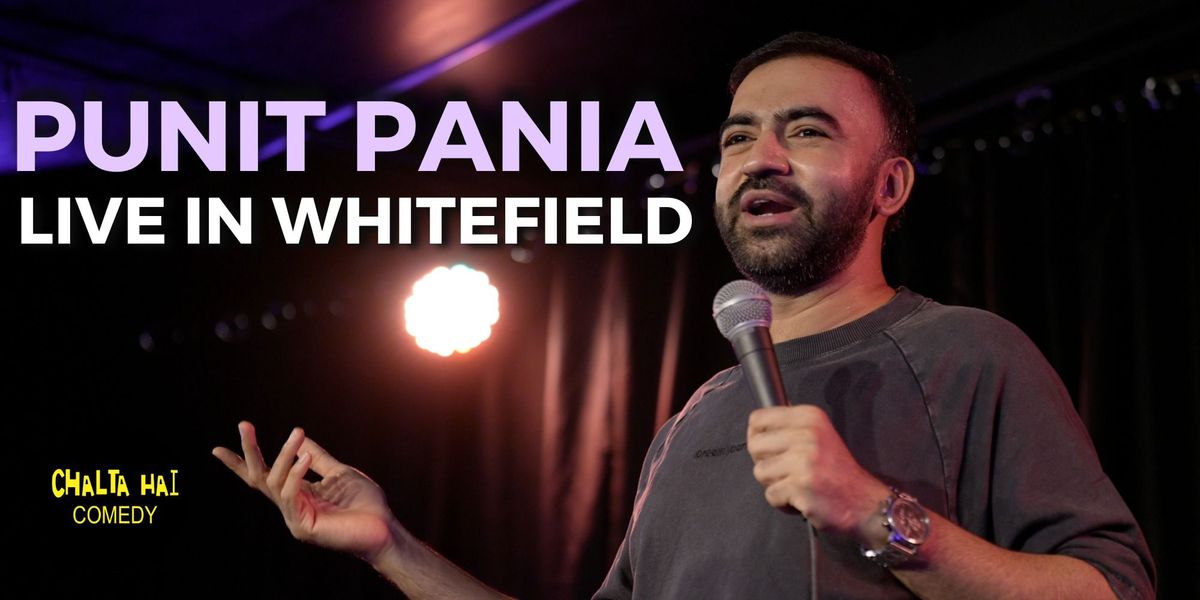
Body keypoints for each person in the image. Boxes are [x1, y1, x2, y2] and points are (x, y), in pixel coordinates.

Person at [214, 32, 1155, 599]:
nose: (761, 157)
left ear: (891, 185)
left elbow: (1113, 591)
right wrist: (393, 548)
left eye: (807, 130)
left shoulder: (968, 354)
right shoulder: (692, 421)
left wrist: (874, 513)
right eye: (740, 137)